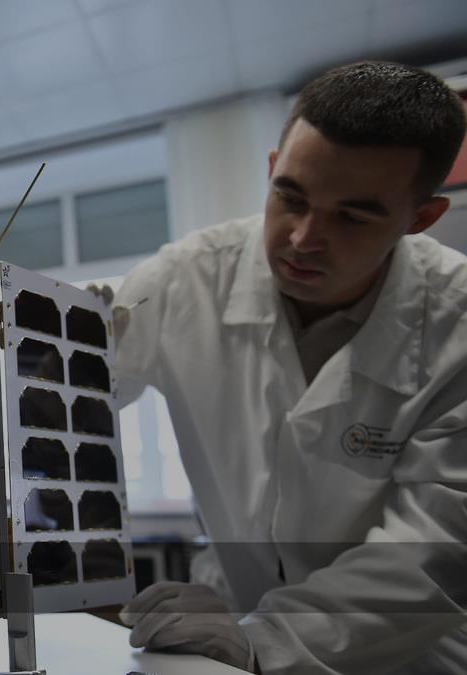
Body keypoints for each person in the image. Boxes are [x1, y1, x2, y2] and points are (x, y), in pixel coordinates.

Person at [103, 61, 467, 673]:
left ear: (420, 217)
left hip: (410, 656)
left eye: (352, 217)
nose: (302, 238)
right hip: (236, 626)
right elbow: (67, 385)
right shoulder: (184, 280)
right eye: (290, 197)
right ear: (272, 168)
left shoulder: (457, 324)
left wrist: (268, 640)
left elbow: (435, 551)